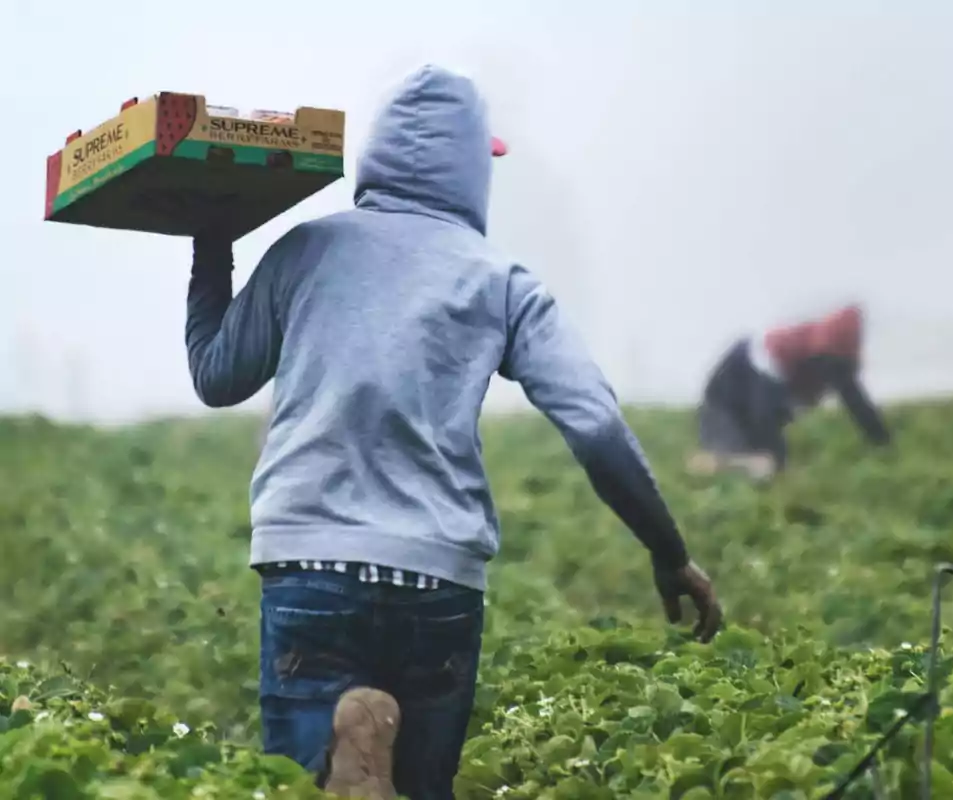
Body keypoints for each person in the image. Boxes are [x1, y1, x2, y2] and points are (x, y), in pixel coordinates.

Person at [183, 64, 722, 800]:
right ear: (474, 168)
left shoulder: (305, 250)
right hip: (436, 573)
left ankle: (347, 750)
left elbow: (216, 376)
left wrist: (209, 244)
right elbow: (593, 422)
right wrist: (669, 552)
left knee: (301, 786)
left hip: (310, 559)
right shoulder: (500, 280)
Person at [688, 304, 891, 482]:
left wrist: (883, 443)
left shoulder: (833, 356)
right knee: (760, 465)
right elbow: (764, 417)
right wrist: (780, 464)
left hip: (759, 395)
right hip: (726, 399)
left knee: (764, 460)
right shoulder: (772, 358)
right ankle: (712, 462)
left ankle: (740, 460)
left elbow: (855, 399)